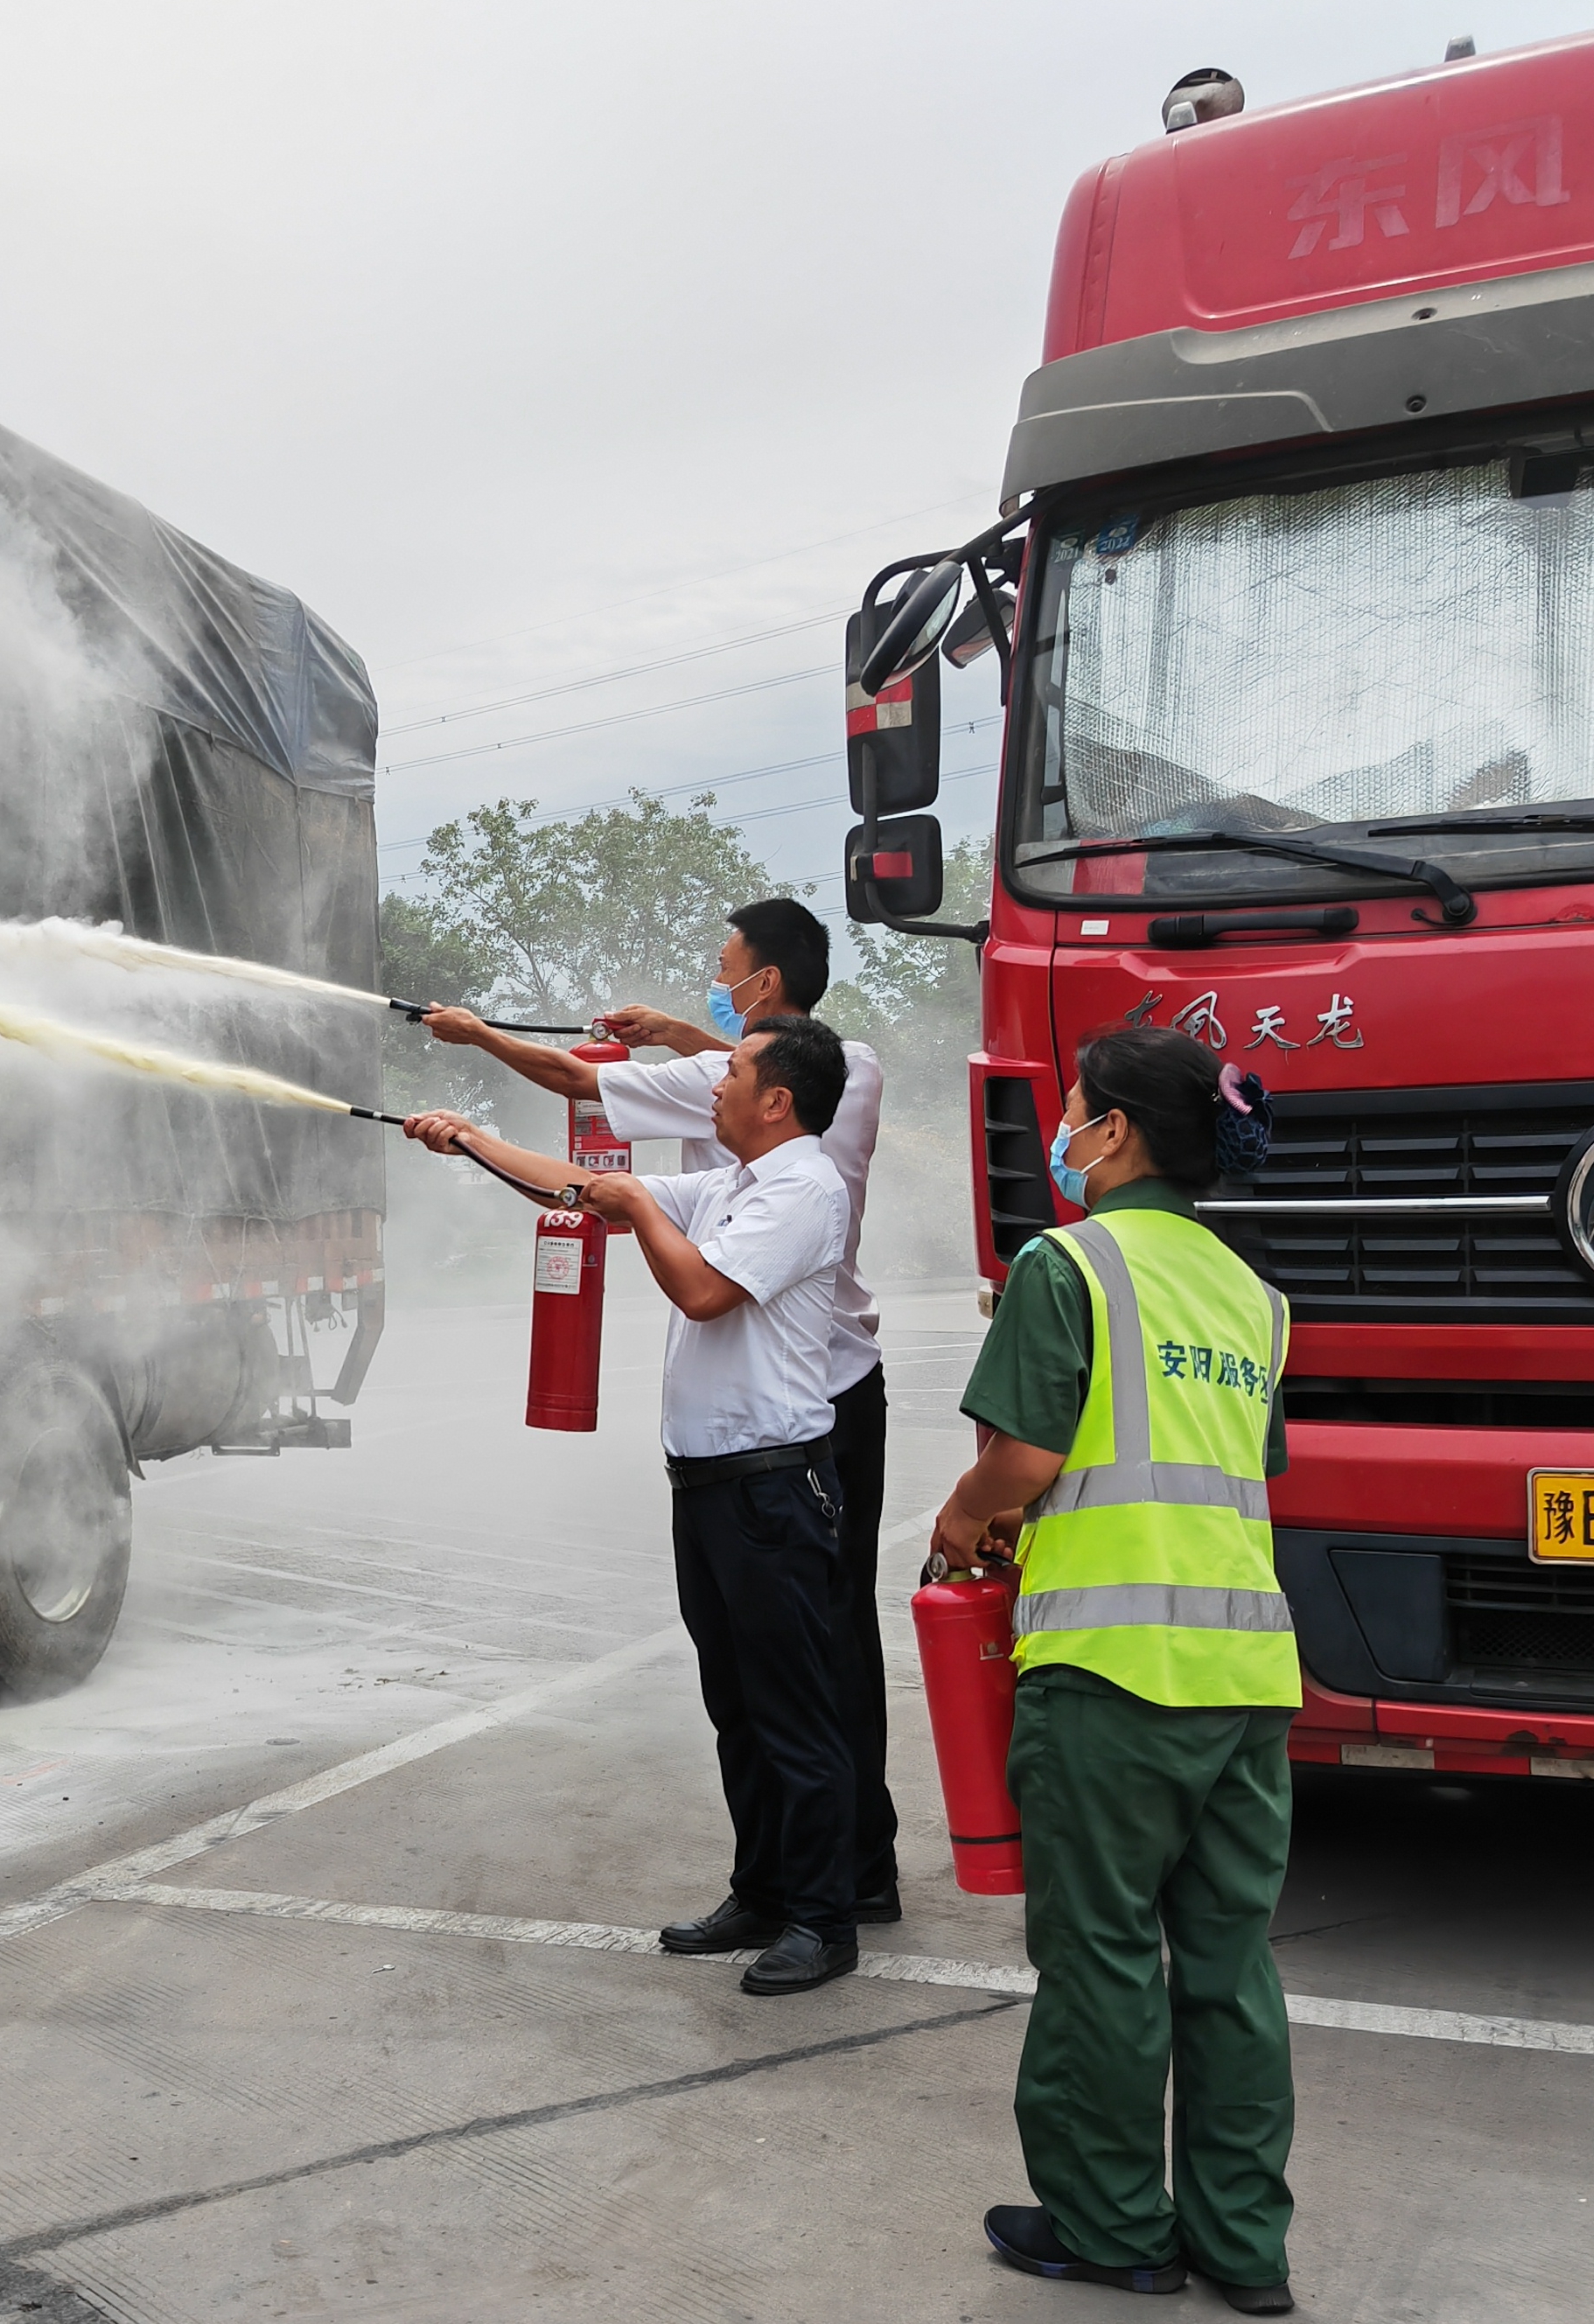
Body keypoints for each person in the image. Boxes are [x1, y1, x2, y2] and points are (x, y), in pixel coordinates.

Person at [419, 899, 898, 1921]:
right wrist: (471, 1139)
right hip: (714, 1480)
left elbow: (701, 1291)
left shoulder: (800, 1186)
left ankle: (831, 1907)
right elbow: (579, 1183)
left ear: (774, 1099)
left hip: (778, 1474)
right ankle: (763, 1889)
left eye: (728, 1070)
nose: (711, 1073)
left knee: (796, 1698)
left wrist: (630, 1196)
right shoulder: (733, 1179)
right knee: (738, 1703)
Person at [926, 1025, 1298, 2316]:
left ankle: (1111, 2228)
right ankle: (1244, 2247)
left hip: (1109, 1675)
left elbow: (1021, 1460)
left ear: (1117, 1133)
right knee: (1230, 1969)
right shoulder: (1255, 1294)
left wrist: (958, 1519)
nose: (1062, 1134)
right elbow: (1238, 1469)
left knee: (1098, 1961)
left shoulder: (1067, 1263)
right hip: (1246, 1677)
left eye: (1074, 1112)